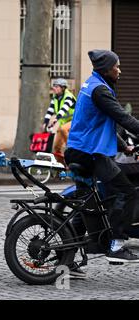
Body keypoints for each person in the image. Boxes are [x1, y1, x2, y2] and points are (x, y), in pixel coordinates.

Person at [65, 49, 139, 263]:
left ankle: (66, 259)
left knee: (85, 204)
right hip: (90, 153)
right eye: (116, 66)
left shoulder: (92, 85)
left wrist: (124, 146)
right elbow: (122, 117)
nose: (120, 70)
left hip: (79, 150)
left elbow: (100, 123)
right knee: (126, 192)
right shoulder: (100, 91)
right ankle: (116, 245)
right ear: (106, 69)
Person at [41, 78, 76, 165]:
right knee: (56, 147)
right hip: (64, 122)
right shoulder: (55, 97)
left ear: (63, 88)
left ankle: (73, 149)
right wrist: (45, 123)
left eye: (57, 87)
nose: (54, 88)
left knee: (63, 129)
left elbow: (64, 109)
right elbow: (50, 111)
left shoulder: (68, 96)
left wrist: (55, 120)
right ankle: (62, 168)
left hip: (75, 120)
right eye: (54, 86)